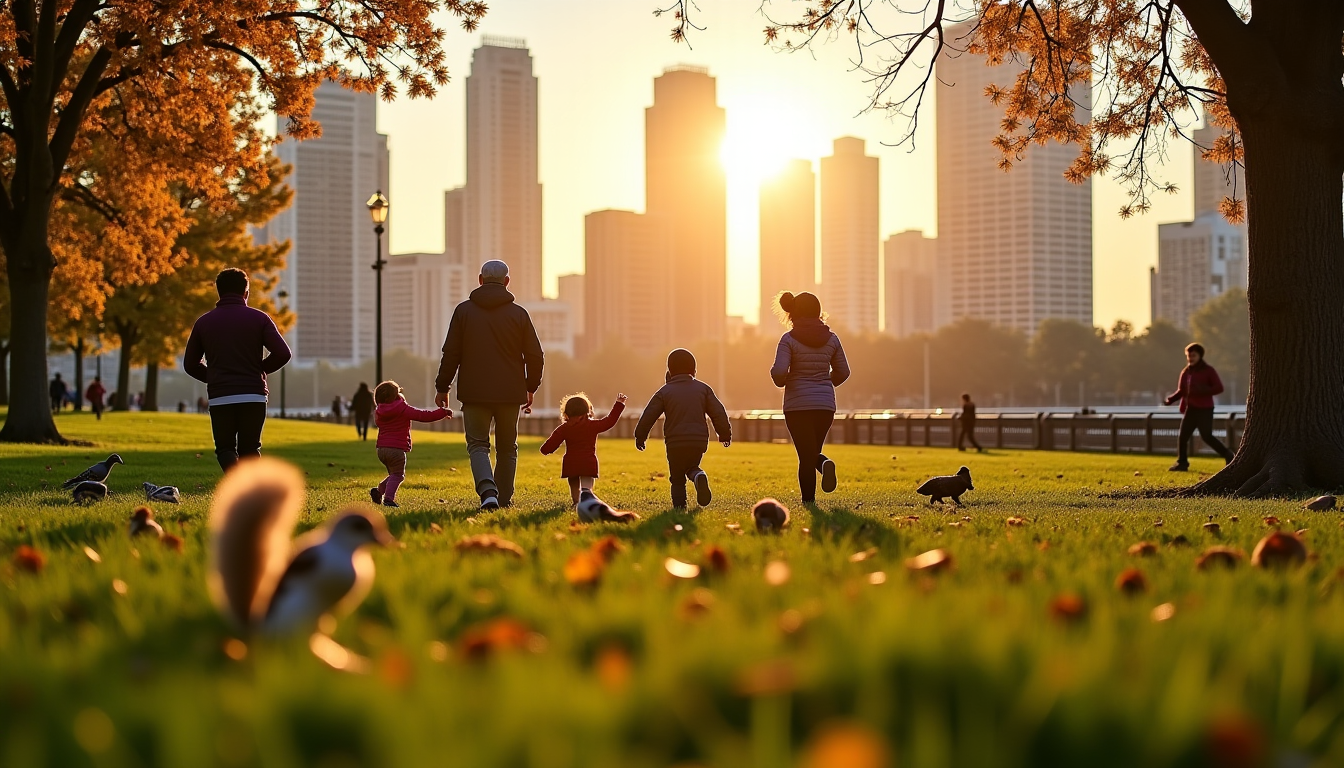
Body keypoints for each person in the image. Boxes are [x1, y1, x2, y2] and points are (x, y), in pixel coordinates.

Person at [434, 260, 545, 511]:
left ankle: (488, 493)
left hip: (474, 392)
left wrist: (443, 387)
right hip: (510, 392)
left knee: (478, 445)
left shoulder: (463, 312)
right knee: (508, 447)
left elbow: (451, 353)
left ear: (480, 279)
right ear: (507, 282)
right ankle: (503, 499)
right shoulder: (519, 314)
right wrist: (531, 387)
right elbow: (536, 355)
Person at [183, 268, 292, 471]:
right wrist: (259, 370)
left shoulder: (204, 323)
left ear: (219, 292)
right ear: (246, 293)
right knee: (250, 449)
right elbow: (283, 354)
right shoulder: (259, 319)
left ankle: (236, 486)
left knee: (225, 449)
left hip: (221, 395)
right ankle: (248, 490)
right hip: (253, 395)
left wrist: (214, 377)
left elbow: (190, 364)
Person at [768, 292, 850, 503]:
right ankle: (823, 464)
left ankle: (808, 502)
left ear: (793, 313)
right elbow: (843, 372)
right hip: (824, 405)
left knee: (805, 456)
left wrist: (787, 380)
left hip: (797, 405)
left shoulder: (788, 340)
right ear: (818, 312)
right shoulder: (832, 339)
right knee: (812, 451)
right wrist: (824, 382)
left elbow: (778, 372)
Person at [634, 349, 732, 510]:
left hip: (675, 441)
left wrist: (640, 436)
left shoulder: (664, 392)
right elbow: (718, 412)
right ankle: (698, 475)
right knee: (692, 466)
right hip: (698, 440)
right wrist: (724, 433)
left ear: (670, 371)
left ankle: (680, 508)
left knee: (677, 477)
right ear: (694, 371)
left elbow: (649, 415)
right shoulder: (703, 389)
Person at [369, 380, 451, 508]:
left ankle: (379, 491)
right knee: (398, 475)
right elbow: (423, 415)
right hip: (396, 449)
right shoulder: (401, 408)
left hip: (381, 449)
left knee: (393, 474)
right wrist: (442, 412)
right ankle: (389, 499)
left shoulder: (379, 411)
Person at [540, 393, 628, 505]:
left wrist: (545, 450)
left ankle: (576, 503)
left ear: (566, 413)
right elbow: (609, 421)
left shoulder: (564, 428)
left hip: (571, 463)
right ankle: (586, 503)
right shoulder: (592, 425)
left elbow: (551, 444)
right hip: (588, 462)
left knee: (574, 487)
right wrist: (619, 404)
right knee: (587, 490)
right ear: (587, 410)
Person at [1165, 342, 1235, 471]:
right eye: (1188, 356)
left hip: (1205, 409)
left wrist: (1202, 390)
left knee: (1206, 436)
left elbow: (1219, 388)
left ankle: (1228, 455)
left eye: (1193, 355)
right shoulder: (1186, 372)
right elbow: (1182, 390)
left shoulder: (1208, 371)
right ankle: (1182, 463)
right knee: (1183, 436)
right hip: (1191, 409)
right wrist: (1170, 400)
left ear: (1200, 356)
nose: (1190, 358)